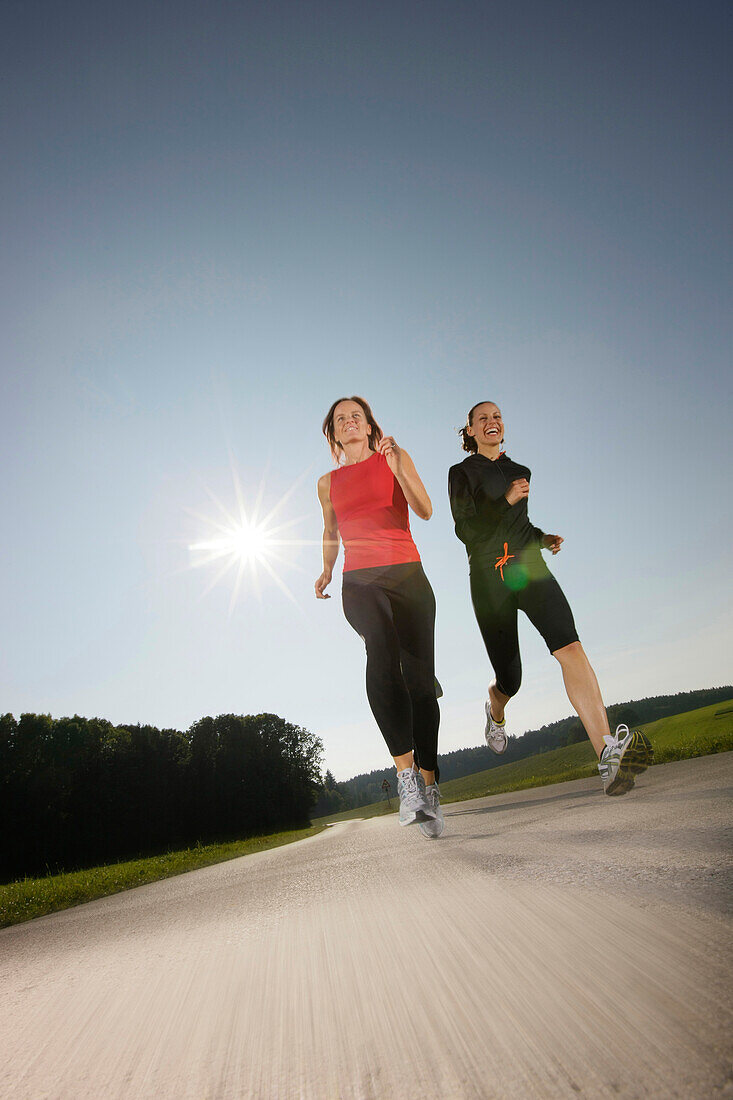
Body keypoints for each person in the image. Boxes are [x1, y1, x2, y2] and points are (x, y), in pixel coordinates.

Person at [448, 400, 652, 795]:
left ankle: (607, 755)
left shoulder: (519, 471)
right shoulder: (461, 473)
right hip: (490, 581)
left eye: (498, 416)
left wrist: (542, 538)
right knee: (511, 678)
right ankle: (495, 710)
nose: (492, 421)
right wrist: (504, 500)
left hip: (528, 568)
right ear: (470, 430)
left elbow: (517, 525)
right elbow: (467, 531)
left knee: (570, 645)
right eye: (483, 418)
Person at [315, 396, 444, 836]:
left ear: (370, 426)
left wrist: (398, 469)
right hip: (361, 581)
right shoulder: (326, 482)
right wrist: (327, 569)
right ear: (333, 434)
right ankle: (406, 779)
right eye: (340, 420)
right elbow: (330, 531)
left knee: (422, 687)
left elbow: (424, 510)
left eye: (357, 416)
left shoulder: (395, 456)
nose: (350, 422)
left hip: (408, 574)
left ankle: (430, 788)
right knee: (381, 651)